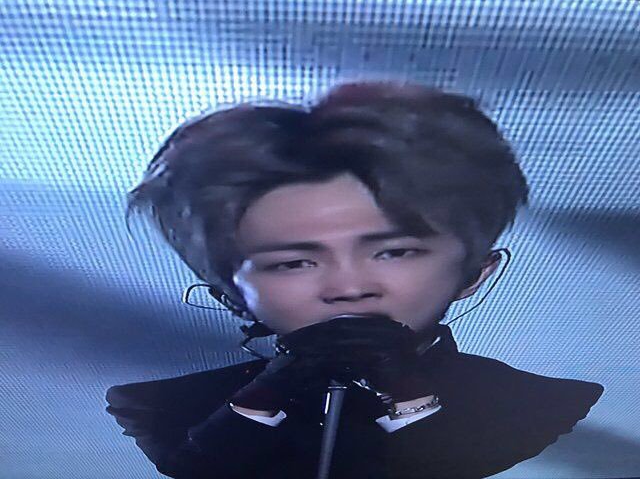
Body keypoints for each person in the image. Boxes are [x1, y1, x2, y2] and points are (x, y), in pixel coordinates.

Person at [105, 81, 604, 479]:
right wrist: (276, 386)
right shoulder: (163, 407)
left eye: (394, 252)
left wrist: (405, 389)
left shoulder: (537, 403)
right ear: (230, 294)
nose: (348, 287)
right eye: (293, 263)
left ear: (474, 273)